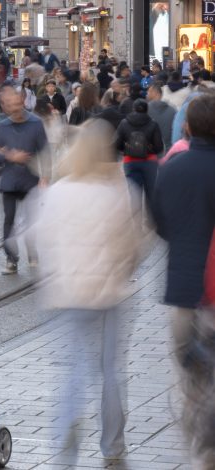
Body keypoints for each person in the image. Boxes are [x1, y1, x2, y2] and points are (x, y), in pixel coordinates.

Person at [36, 118, 141, 463]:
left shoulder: (58, 193)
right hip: (109, 294)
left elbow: (42, 240)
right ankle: (113, 447)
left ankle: (66, 441)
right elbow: (132, 248)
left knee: (74, 371)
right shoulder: (118, 192)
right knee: (110, 371)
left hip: (68, 294)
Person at [152, 93, 215, 468]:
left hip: (183, 292)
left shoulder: (171, 167)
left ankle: (201, 451)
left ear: (187, 127)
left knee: (192, 378)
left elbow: (161, 226)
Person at [0, 87, 50, 274]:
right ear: (5, 108)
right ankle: (11, 259)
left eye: (17, 103)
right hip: (9, 181)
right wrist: (8, 156)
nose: (14, 108)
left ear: (22, 101)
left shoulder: (36, 123)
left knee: (32, 219)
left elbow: (45, 151)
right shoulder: (2, 126)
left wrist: (46, 176)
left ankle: (32, 252)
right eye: (10, 105)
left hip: (30, 179)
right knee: (9, 220)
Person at [115, 99, 164, 210]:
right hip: (149, 162)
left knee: (134, 196)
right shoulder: (153, 124)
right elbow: (159, 147)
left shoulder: (124, 123)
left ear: (133, 109)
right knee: (150, 194)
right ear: (147, 110)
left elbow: (117, 144)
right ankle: (149, 223)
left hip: (130, 161)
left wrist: (127, 149)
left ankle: (136, 226)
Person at [147, 81, 176, 153]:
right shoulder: (172, 110)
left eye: (148, 92)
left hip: (152, 152)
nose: (147, 94)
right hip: (170, 150)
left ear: (155, 93)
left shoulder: (145, 110)